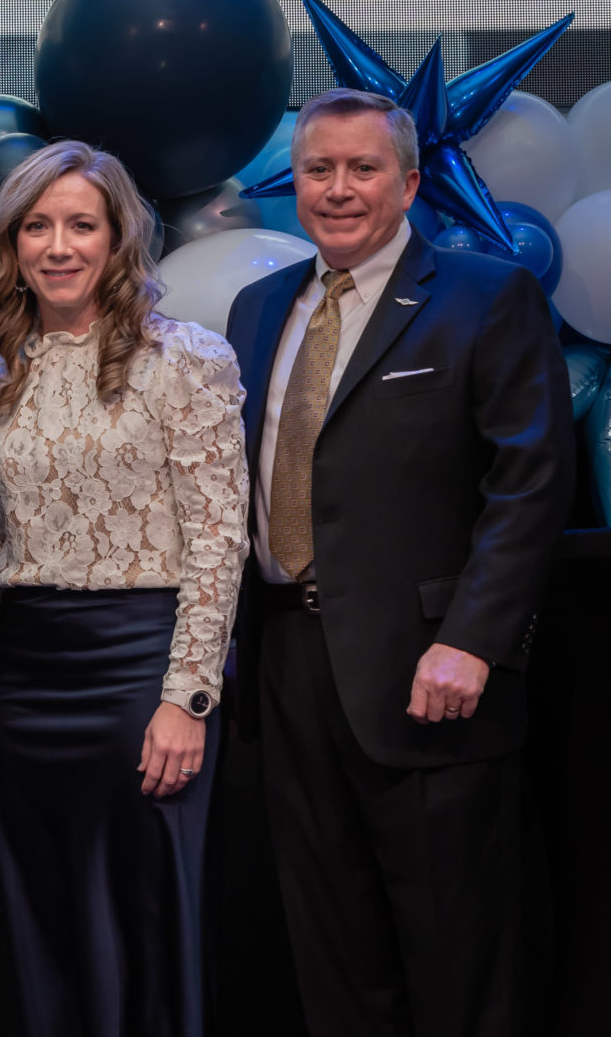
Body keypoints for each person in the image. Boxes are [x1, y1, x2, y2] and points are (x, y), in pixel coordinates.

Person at [224, 88, 574, 1037]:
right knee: (331, 947)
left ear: (411, 181)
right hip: (288, 669)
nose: (338, 189)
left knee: (459, 952)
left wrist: (473, 641)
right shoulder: (258, 309)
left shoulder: (485, 294)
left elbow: (532, 483)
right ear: (293, 182)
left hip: (429, 672)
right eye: (318, 169)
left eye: (363, 168)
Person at [0, 139, 249, 1037]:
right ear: (12, 243)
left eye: (81, 225)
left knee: (143, 913)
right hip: (26, 680)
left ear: (119, 239)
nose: (59, 245)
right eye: (38, 226)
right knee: (46, 917)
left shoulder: (188, 359)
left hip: (141, 676)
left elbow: (220, 540)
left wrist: (188, 699)